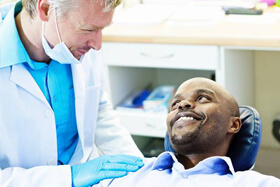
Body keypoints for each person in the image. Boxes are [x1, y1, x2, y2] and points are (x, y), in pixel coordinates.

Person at [0, 0, 144, 186]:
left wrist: (138, 170)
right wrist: (70, 177)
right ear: (45, 9)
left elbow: (98, 109)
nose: (97, 44)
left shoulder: (75, 45)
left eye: (101, 29)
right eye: (88, 29)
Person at [96, 77, 280, 186]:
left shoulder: (257, 184)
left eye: (202, 98)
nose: (182, 105)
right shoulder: (126, 175)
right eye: (175, 104)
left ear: (233, 125)